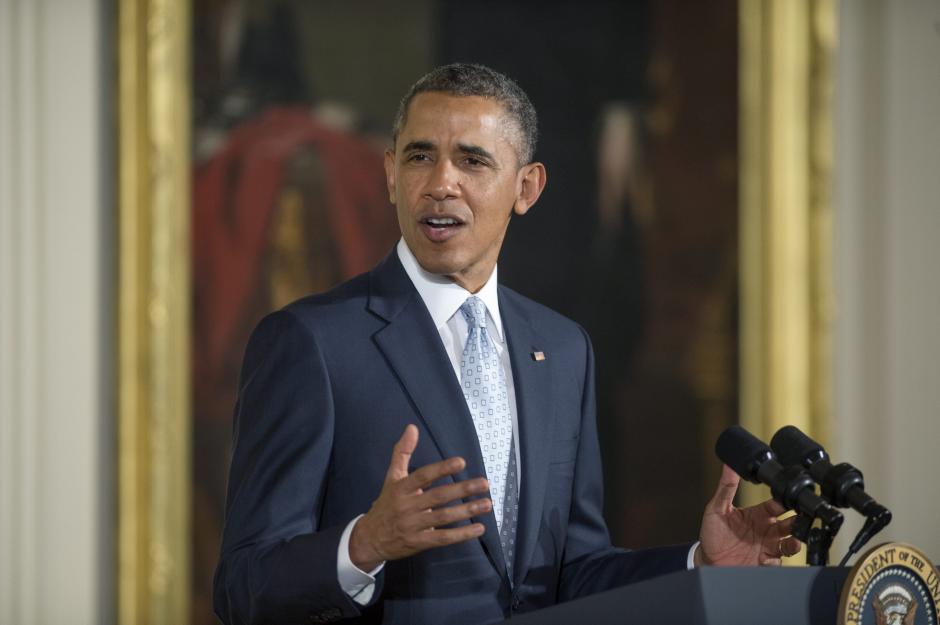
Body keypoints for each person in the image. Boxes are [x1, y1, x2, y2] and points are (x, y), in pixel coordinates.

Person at [213, 63, 800, 625]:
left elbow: (571, 573)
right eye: (420, 156)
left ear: (527, 187)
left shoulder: (564, 349)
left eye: (472, 160)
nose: (441, 183)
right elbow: (243, 588)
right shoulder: (312, 342)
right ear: (390, 173)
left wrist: (700, 564)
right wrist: (363, 545)